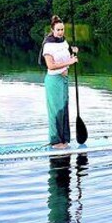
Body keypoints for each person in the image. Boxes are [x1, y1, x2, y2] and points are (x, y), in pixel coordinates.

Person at [41, 15, 79, 149]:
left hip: (64, 80)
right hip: (54, 81)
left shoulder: (63, 41)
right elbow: (50, 66)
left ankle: (64, 140)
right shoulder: (48, 45)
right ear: (52, 29)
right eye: (58, 30)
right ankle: (55, 142)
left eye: (62, 29)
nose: (61, 32)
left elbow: (67, 55)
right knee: (56, 111)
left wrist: (72, 51)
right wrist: (69, 62)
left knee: (64, 110)